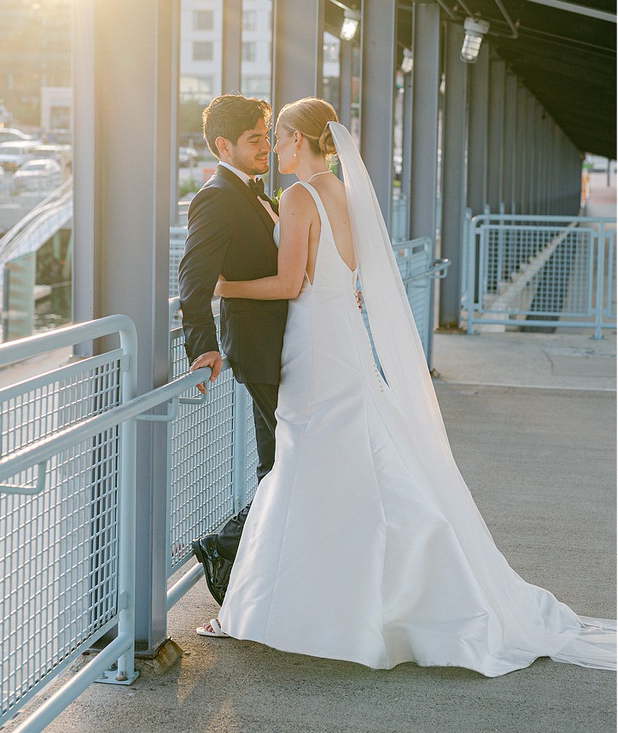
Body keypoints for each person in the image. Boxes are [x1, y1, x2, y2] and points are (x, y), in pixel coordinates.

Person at [196, 97, 615, 677]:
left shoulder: (298, 196)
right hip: (342, 338)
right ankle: (358, 598)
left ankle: (295, 605)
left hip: (315, 345)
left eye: (280, 138)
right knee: (345, 459)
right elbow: (348, 279)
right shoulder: (342, 194)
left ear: (300, 139)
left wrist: (224, 287)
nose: (274, 149)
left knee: (303, 460)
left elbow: (292, 282)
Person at [179, 94, 288, 605]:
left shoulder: (254, 191)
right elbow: (194, 279)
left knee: (280, 459)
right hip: (256, 346)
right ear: (224, 145)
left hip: (282, 342)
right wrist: (202, 346)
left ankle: (257, 573)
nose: (266, 146)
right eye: (254, 140)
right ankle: (223, 546)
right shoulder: (217, 196)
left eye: (267, 136)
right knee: (287, 459)